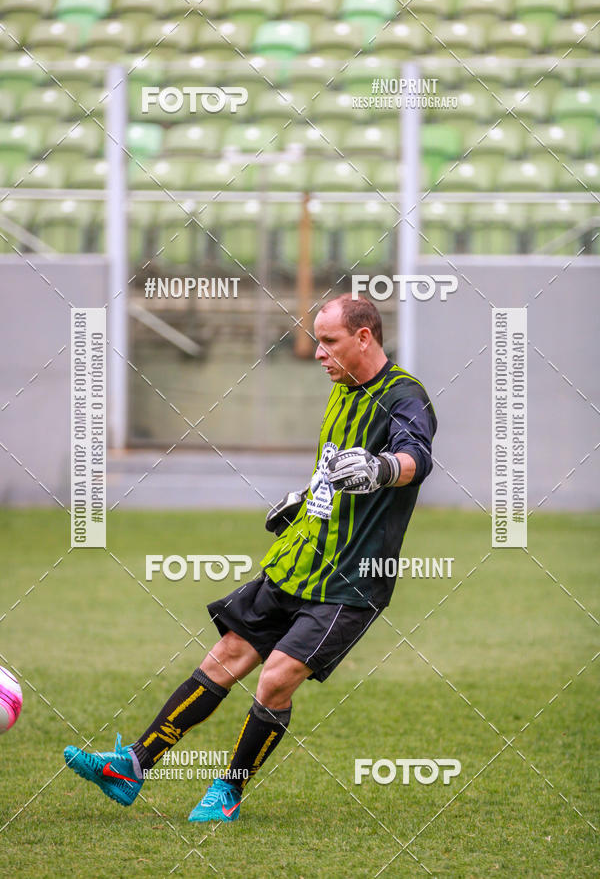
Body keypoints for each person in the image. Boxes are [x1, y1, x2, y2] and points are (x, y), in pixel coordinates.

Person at [64, 293, 437, 822]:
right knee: (228, 656)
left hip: (349, 582)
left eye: (328, 342)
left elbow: (415, 458)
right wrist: (305, 500)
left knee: (275, 677)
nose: (317, 354)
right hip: (299, 558)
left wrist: (382, 469)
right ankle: (133, 765)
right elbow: (335, 468)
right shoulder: (341, 388)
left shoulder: (405, 396)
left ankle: (228, 793)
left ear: (363, 338)